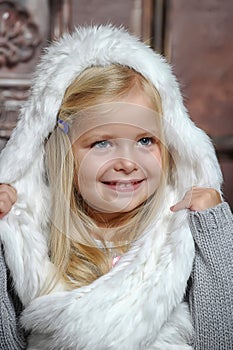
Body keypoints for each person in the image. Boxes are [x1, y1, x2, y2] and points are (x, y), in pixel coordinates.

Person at [0, 25, 232, 350]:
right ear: (63, 153)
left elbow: (221, 336)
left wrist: (214, 230)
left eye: (145, 140)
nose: (127, 161)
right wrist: (5, 229)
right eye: (102, 143)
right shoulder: (35, 238)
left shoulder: (181, 231)